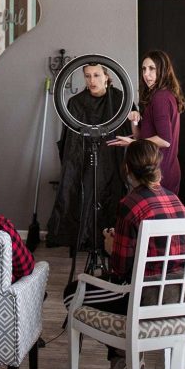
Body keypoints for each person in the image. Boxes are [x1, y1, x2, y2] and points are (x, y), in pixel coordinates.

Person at [63, 140, 185, 316]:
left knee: (71, 294)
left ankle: (118, 333)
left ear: (127, 168)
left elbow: (120, 269)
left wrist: (111, 247)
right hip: (178, 292)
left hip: (142, 294)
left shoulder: (130, 205)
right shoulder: (177, 201)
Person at [46, 62, 134, 250]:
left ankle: (110, 240)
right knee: (84, 192)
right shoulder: (75, 103)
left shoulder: (120, 100)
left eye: (96, 75)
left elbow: (133, 133)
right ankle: (86, 237)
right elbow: (70, 143)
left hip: (113, 159)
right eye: (87, 76)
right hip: (84, 159)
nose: (92, 80)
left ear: (106, 76)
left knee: (113, 193)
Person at [108, 49, 185, 195]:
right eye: (144, 69)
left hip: (161, 173)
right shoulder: (158, 95)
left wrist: (132, 143)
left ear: (163, 70)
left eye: (151, 69)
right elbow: (141, 137)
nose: (146, 74)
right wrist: (135, 121)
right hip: (156, 170)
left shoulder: (161, 98)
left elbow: (165, 140)